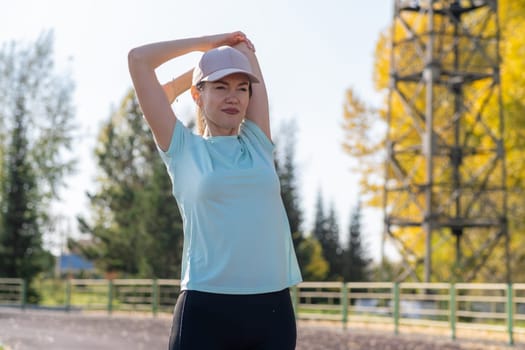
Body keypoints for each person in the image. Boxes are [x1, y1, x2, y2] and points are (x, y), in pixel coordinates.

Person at [128, 31, 302, 350]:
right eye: (220, 87)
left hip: (272, 311)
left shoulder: (257, 143)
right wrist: (208, 46)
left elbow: (241, 46)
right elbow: (139, 60)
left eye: (241, 88)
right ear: (198, 95)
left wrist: (224, 54)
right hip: (205, 313)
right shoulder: (181, 148)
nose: (233, 97)